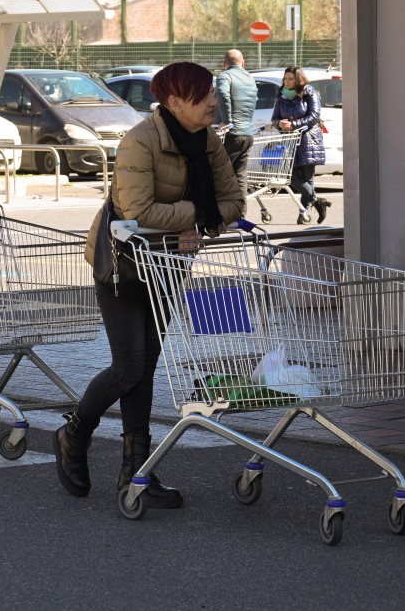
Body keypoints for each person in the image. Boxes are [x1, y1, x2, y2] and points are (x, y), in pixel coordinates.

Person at [54, 62, 244, 507]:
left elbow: (235, 201)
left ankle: (136, 474)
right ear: (175, 102)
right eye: (204, 96)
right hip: (122, 265)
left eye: (213, 93)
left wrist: (196, 222)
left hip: (167, 266)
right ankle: (73, 434)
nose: (213, 102)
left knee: (145, 370)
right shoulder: (139, 140)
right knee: (128, 368)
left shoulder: (209, 142)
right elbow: (135, 209)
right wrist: (197, 217)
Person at [271, 65, 330, 225]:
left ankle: (304, 213)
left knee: (307, 178)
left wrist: (293, 124)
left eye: (290, 79)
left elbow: (314, 116)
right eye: (285, 79)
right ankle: (318, 201)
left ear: (298, 79)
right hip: (289, 141)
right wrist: (280, 124)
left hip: (308, 140)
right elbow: (275, 118)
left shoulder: (309, 92)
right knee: (290, 176)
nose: (287, 82)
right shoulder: (281, 95)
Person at [213, 48, 257, 190]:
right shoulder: (250, 78)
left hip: (231, 134)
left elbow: (222, 94)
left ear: (224, 63)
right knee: (240, 177)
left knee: (219, 175)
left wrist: (227, 121)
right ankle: (240, 212)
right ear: (243, 63)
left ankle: (219, 210)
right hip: (247, 134)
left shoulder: (224, 76)